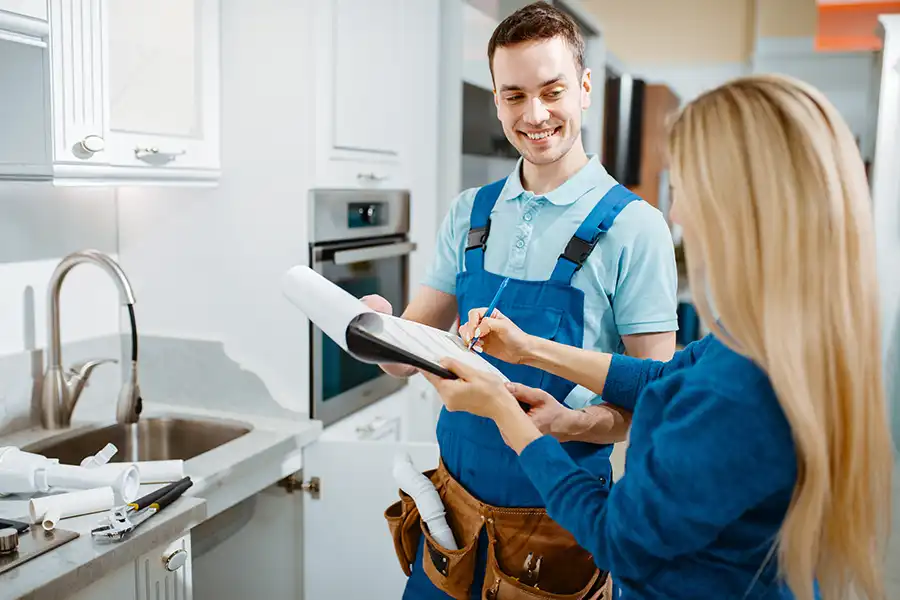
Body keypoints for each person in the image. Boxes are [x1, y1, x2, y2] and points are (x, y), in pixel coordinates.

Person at [421, 74, 895, 600]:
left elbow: (617, 538)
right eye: (513, 94)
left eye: (688, 188)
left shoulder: (736, 392)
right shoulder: (775, 339)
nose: (677, 213)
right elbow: (663, 378)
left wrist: (505, 413)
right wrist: (531, 349)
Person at [370, 3, 678, 598]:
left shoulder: (635, 229)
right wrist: (376, 333)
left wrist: (571, 422)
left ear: (585, 89)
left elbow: (656, 401)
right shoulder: (469, 212)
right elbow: (407, 354)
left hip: (557, 526)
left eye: (551, 91)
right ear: (495, 98)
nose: (534, 115)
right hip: (449, 521)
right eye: (513, 95)